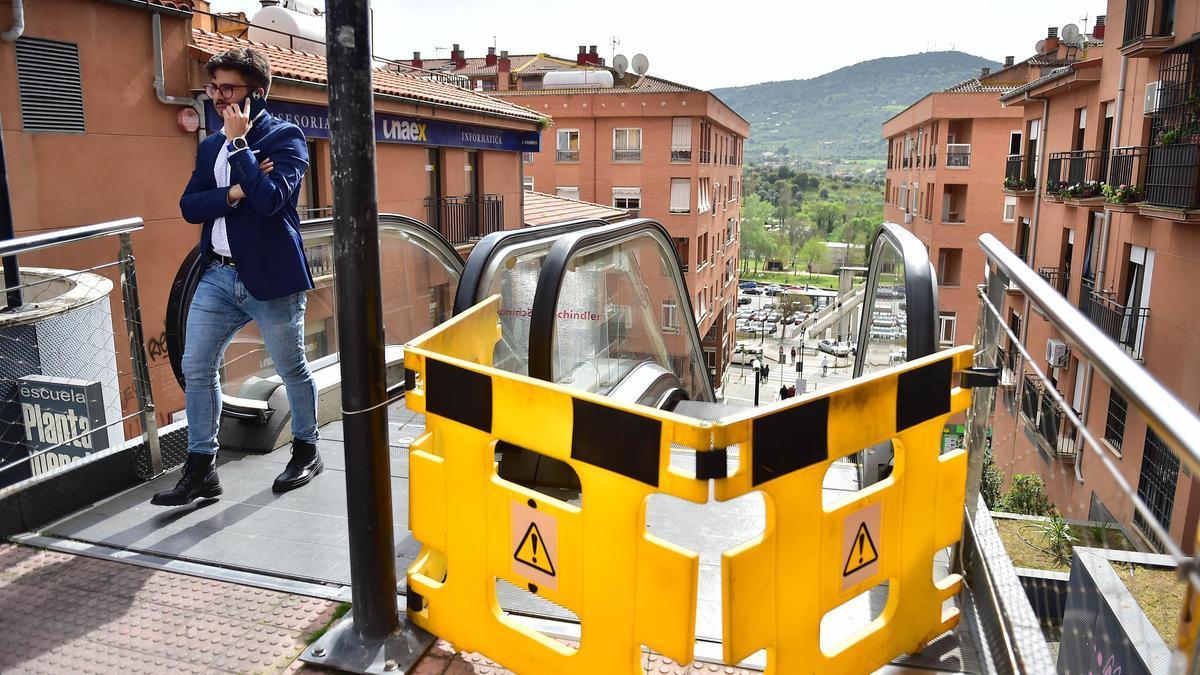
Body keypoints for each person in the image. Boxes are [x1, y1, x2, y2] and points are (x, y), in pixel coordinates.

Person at [153, 48, 320, 506]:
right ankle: (202, 470)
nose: (218, 97)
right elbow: (190, 207)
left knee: (291, 368)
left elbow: (270, 203)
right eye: (214, 88)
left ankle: (306, 449)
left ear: (256, 93)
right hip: (218, 276)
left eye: (228, 88)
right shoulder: (209, 146)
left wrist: (243, 147)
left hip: (272, 278)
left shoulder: (287, 139)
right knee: (196, 364)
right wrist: (236, 188)